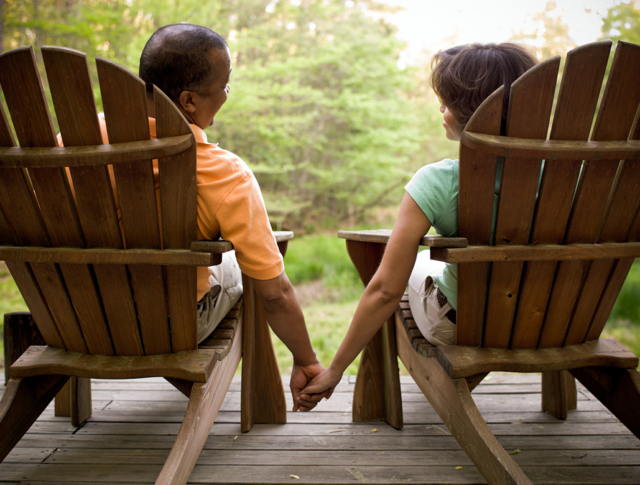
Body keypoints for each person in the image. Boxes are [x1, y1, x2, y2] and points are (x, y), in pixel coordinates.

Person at [299, 43, 538, 402]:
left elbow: (385, 292)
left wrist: (335, 370)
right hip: (557, 321)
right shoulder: (574, 177)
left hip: (465, 327)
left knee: (400, 272)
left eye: (448, 102)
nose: (441, 109)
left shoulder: (440, 181)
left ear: (472, 112)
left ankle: (376, 401)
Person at [136, 24, 326, 411]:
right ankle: (260, 403)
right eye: (225, 85)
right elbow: (274, 293)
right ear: (188, 101)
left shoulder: (66, 145)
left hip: (70, 319)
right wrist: (307, 360)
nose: (226, 95)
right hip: (170, 325)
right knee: (247, 271)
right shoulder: (223, 173)